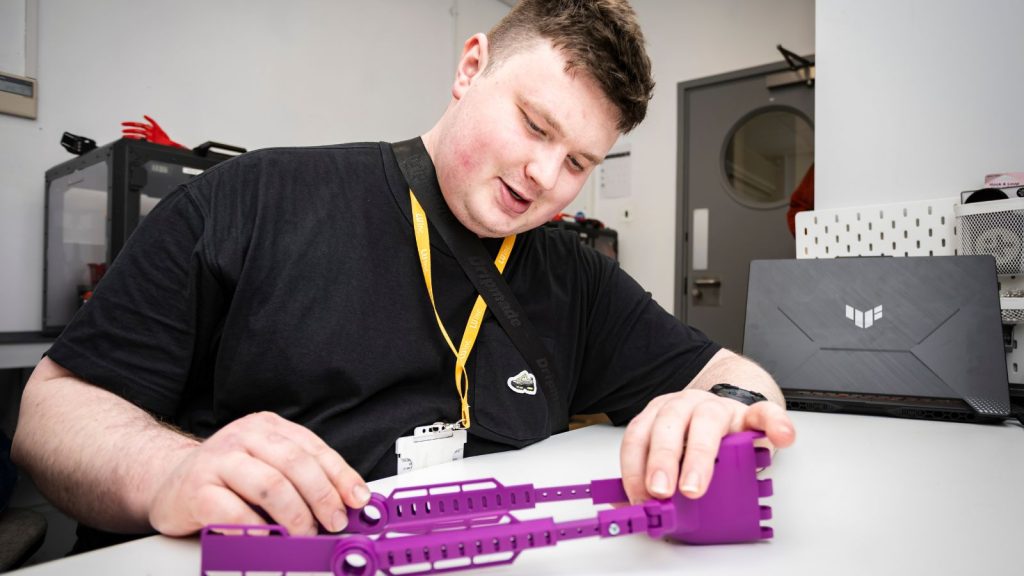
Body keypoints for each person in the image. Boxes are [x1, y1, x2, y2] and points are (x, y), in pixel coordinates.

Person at [12, 0, 795, 552]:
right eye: (534, 124)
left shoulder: (573, 275)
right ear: (471, 65)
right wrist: (172, 470)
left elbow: (734, 374)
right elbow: (49, 415)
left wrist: (725, 407)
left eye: (579, 163)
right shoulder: (251, 201)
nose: (543, 177)